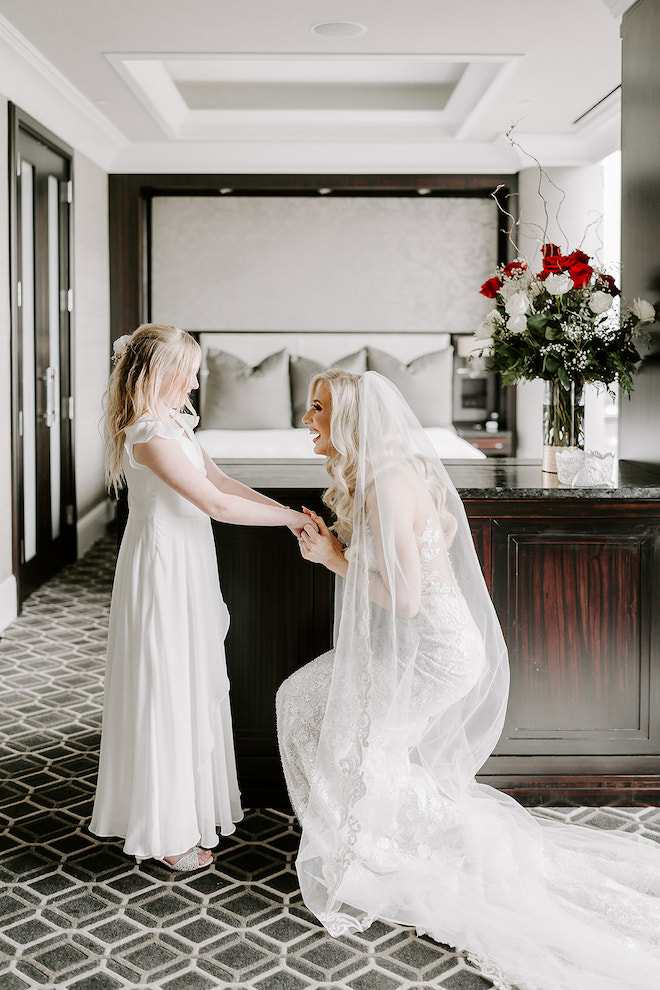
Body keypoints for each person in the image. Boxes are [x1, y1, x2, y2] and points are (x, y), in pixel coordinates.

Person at [276, 369, 660, 990]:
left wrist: (332, 558)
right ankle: (368, 845)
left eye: (317, 409)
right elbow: (428, 551)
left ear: (349, 419)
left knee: (328, 715)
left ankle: (388, 854)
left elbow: (402, 603)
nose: (306, 420)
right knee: (313, 703)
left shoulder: (385, 485)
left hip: (436, 655)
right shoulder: (385, 475)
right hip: (437, 647)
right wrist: (343, 544)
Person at [90, 323, 312, 872]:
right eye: (187, 374)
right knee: (166, 685)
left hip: (188, 561)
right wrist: (287, 521)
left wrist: (288, 511)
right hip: (162, 567)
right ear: (161, 374)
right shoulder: (148, 435)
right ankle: (163, 830)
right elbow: (219, 508)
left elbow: (225, 484)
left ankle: (182, 812)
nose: (193, 386)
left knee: (188, 681)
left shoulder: (176, 427)